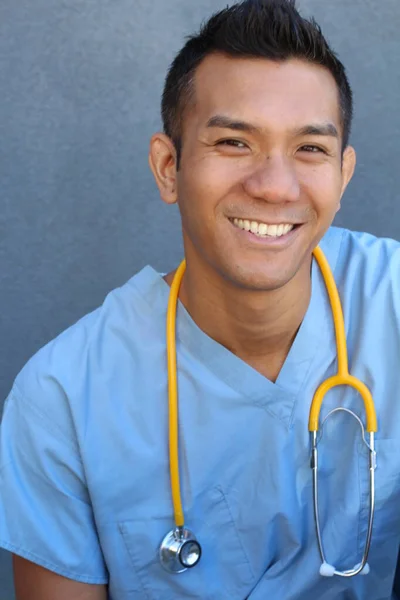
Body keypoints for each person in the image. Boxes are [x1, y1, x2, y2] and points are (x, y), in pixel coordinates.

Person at [1, 0, 400, 598]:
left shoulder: (391, 304)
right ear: (168, 166)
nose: (274, 185)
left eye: (310, 149)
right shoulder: (62, 401)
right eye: (234, 142)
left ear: (343, 177)